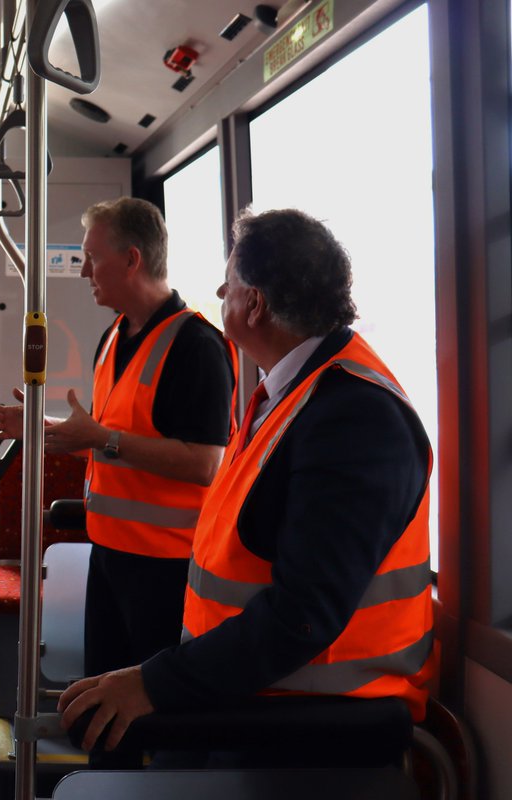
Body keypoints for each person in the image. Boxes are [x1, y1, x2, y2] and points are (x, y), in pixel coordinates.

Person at [58, 208, 435, 765]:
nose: (217, 291)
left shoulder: (355, 416)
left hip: (311, 726)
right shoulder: (288, 394)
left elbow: (303, 614)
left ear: (254, 304)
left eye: (229, 282)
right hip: (245, 688)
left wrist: (154, 683)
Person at [0, 198, 235, 728]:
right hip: (111, 556)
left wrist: (103, 439)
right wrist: (46, 433)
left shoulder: (196, 344)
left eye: (90, 257)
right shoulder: (113, 337)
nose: (83, 270)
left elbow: (205, 464)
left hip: (170, 570)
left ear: (132, 259)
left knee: (159, 724)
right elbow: (107, 439)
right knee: (102, 713)